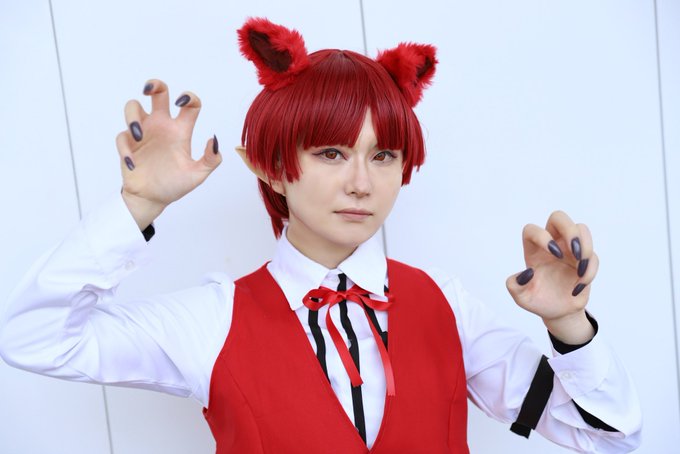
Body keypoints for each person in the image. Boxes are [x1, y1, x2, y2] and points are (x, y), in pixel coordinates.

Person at [0, 17, 641, 453]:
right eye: (331, 153)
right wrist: (137, 206)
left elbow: (610, 438)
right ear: (271, 166)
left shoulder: (446, 308)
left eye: (383, 155)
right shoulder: (214, 318)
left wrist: (569, 326)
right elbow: (34, 338)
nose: (361, 183)